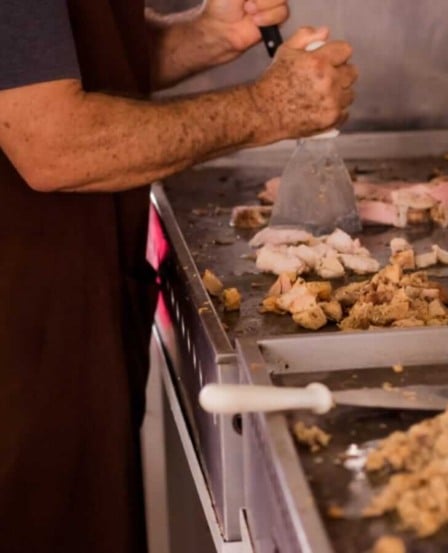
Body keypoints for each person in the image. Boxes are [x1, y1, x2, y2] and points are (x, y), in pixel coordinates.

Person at [0, 1, 356, 551]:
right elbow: (53, 144)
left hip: (67, 313)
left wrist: (205, 35)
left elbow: (50, 58)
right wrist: (268, 108)